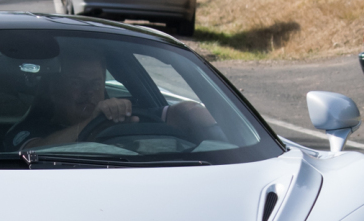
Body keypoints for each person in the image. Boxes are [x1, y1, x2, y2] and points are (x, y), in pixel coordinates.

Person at [11, 51, 216, 150]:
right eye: (77, 83)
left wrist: (204, 116)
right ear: (55, 89)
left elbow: (182, 113)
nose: (88, 92)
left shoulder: (123, 113)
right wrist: (92, 121)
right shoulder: (30, 128)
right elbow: (33, 152)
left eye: (95, 83)